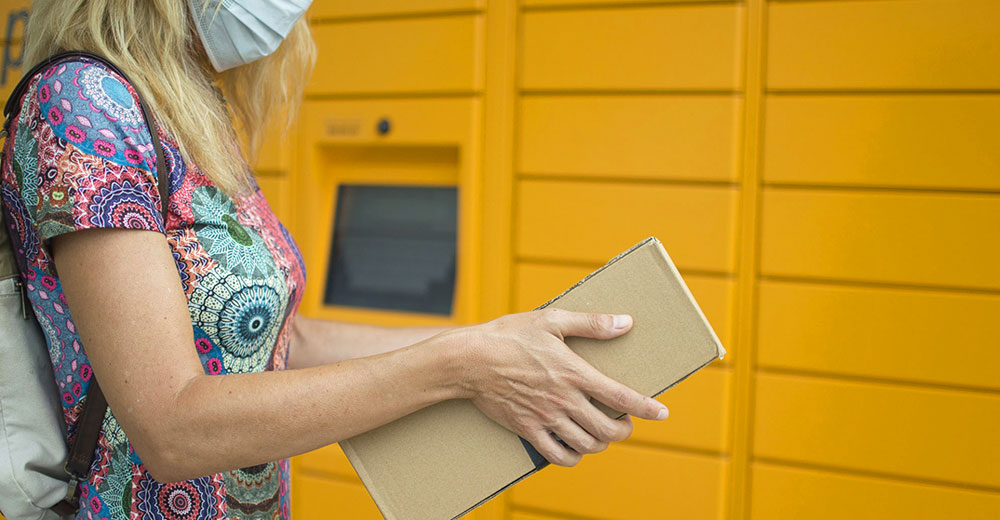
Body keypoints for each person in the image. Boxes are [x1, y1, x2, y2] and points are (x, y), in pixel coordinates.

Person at [0, 1, 669, 518]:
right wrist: (462, 367)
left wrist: (495, 348)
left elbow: (276, 342)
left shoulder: (184, 107)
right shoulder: (81, 102)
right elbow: (172, 425)